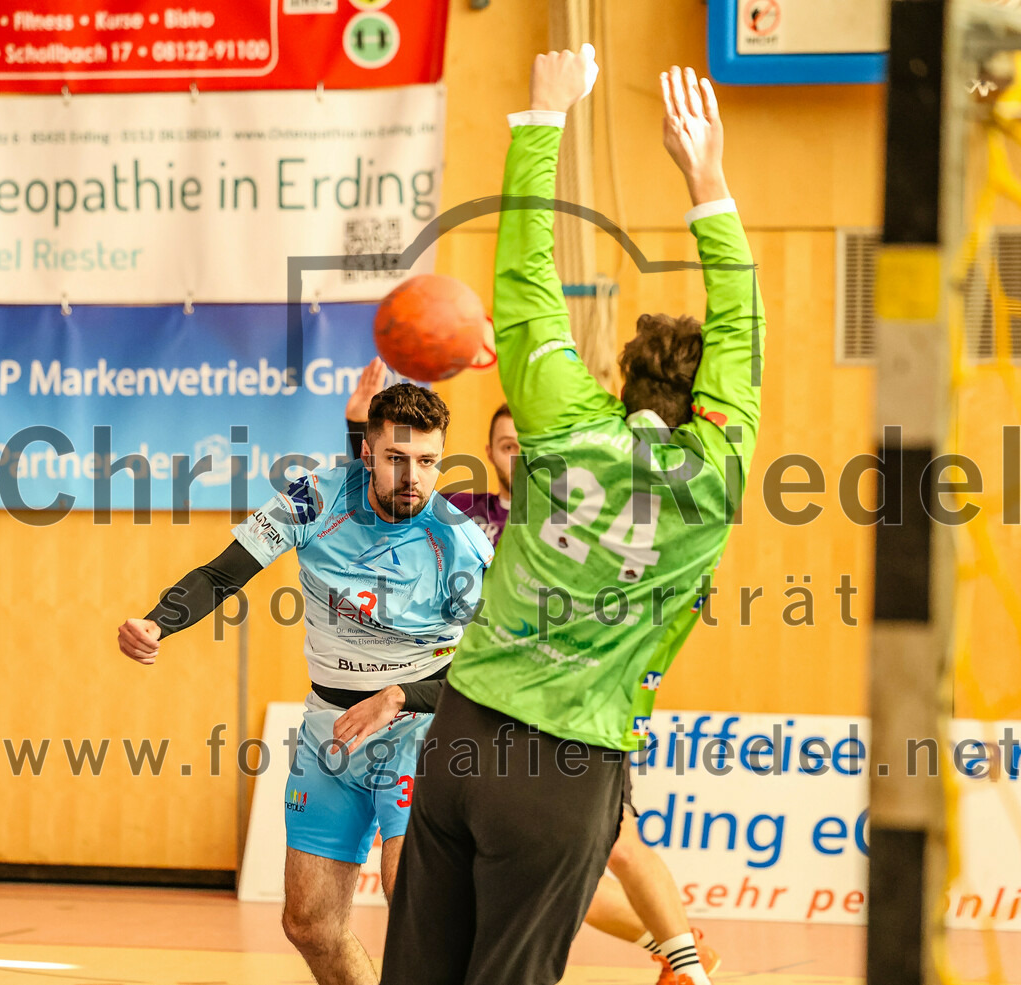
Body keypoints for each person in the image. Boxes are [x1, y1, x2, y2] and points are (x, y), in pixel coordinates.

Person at [378, 51, 765, 985]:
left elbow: (524, 282)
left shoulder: (562, 420)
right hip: (569, 765)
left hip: (463, 735)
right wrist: (708, 181)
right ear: (711, 398)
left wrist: (542, 116)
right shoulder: (716, 472)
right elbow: (744, 327)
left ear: (624, 382)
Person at [117, 383, 493, 985]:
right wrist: (157, 622)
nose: (414, 478)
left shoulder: (459, 543)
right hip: (328, 729)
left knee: (414, 903)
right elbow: (221, 574)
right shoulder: (313, 498)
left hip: (421, 725)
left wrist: (400, 696)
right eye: (397, 459)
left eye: (428, 461)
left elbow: (492, 669)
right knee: (310, 925)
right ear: (366, 454)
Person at [345, 380, 720, 985]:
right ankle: (677, 951)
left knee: (614, 841)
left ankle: (686, 961)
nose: (517, 455)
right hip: (480, 705)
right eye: (505, 445)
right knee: (515, 866)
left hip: (572, 712)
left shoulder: (583, 514)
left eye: (526, 444)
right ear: (490, 453)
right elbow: (386, 505)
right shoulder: (466, 514)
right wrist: (357, 434)